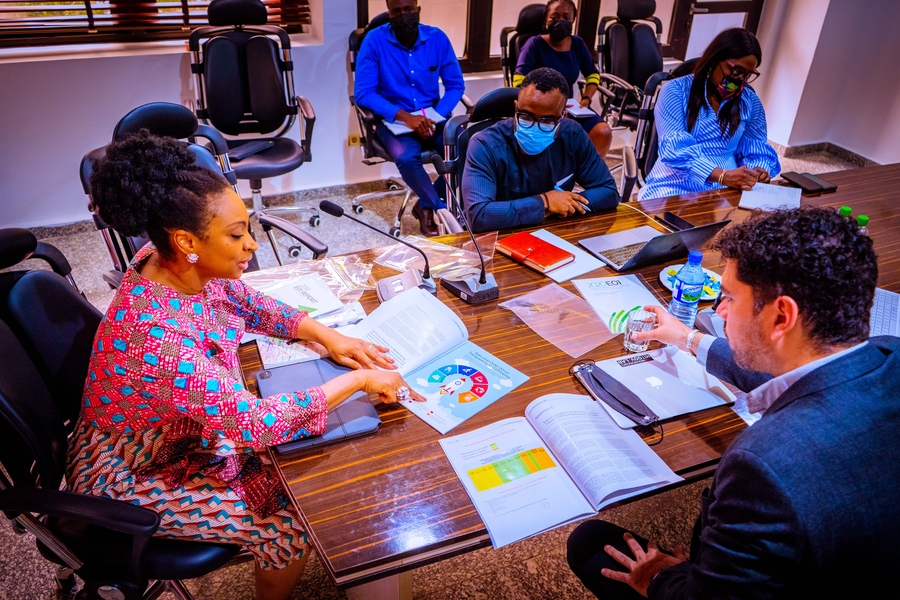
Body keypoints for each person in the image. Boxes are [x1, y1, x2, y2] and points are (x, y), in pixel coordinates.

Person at [69, 131, 424, 600]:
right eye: (236, 235)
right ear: (186, 241)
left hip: (179, 430)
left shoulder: (167, 259)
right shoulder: (153, 339)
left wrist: (327, 337)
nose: (251, 245)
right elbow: (252, 425)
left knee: (316, 465)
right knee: (287, 521)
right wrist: (358, 379)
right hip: (132, 468)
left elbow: (244, 301)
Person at [566, 207, 900, 598]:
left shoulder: (763, 467)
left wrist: (658, 579)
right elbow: (783, 368)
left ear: (781, 316)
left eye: (727, 298)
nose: (719, 311)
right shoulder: (887, 351)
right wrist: (686, 338)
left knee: (589, 543)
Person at [354, 0, 465, 237]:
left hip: (433, 117)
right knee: (406, 157)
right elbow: (363, 93)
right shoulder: (374, 41)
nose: (403, 15)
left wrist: (434, 117)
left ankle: (424, 204)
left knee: (468, 150)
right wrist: (405, 117)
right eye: (396, 12)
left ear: (418, 10)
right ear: (389, 14)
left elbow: (455, 85)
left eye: (408, 10)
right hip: (393, 120)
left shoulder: (437, 38)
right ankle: (440, 210)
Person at [462, 67, 619, 233]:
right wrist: (545, 202)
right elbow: (479, 216)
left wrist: (564, 204)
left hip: (557, 234)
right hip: (498, 240)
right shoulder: (485, 144)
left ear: (562, 116)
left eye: (547, 121)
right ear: (515, 108)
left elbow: (608, 192)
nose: (533, 127)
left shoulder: (572, 135)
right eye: (525, 116)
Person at [639, 28, 781, 200]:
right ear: (715, 59)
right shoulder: (676, 91)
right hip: (674, 183)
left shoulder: (749, 101)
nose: (740, 80)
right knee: (677, 224)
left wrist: (758, 170)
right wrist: (722, 175)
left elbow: (757, 147)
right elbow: (675, 148)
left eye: (748, 75)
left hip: (728, 188)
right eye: (736, 71)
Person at [514, 0, 613, 157]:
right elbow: (519, 80)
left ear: (573, 19)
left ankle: (589, 178)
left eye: (566, 17)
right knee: (570, 139)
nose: (560, 22)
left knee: (603, 131)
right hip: (541, 110)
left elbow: (593, 74)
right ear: (546, 20)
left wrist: (586, 98)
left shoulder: (577, 44)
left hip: (569, 107)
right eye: (555, 16)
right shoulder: (534, 44)